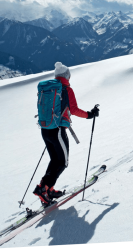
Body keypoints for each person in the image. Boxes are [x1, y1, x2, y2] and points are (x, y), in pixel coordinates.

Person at [33, 62, 99, 205]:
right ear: (67, 76)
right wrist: (90, 115)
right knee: (63, 162)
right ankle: (42, 189)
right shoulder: (66, 89)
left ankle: (48, 189)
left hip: (46, 130)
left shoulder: (50, 89)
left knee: (54, 160)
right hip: (57, 131)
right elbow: (73, 110)